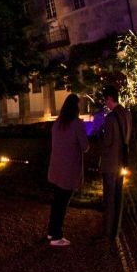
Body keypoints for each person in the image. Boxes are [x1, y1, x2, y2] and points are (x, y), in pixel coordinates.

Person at [46, 94, 89, 247]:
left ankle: (51, 231)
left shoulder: (58, 123)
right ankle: (57, 236)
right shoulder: (76, 124)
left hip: (56, 169)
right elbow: (85, 146)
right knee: (62, 203)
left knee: (57, 201)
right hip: (68, 170)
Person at [99, 85, 132, 241]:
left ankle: (107, 231)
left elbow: (107, 143)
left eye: (106, 100)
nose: (106, 103)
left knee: (110, 198)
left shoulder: (111, 118)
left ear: (110, 99)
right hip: (121, 162)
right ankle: (116, 230)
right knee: (119, 197)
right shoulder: (127, 114)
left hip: (110, 163)